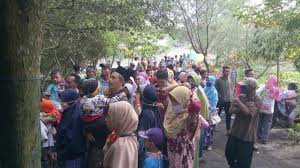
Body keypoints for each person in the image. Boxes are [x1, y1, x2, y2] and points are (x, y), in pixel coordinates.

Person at [80, 79, 126, 168]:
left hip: (88, 123)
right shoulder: (100, 97)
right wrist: (121, 95)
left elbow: (81, 113)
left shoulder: (83, 99)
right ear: (97, 89)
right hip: (99, 122)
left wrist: (86, 126)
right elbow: (110, 101)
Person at [225, 78, 262, 168]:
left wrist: (239, 104)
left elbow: (249, 114)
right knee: (229, 153)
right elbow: (231, 110)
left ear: (252, 88)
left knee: (244, 161)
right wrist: (244, 106)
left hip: (247, 135)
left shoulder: (257, 99)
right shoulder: (241, 96)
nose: (242, 88)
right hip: (235, 131)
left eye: (244, 86)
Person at [163, 86, 201, 168]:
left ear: (184, 99)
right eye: (172, 100)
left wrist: (193, 96)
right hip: (172, 152)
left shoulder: (189, 115)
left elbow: (196, 108)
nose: (173, 104)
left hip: (182, 153)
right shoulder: (172, 111)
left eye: (176, 101)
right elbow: (165, 91)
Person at [103, 101, 138, 168]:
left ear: (120, 119)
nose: (106, 119)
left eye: (109, 116)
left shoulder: (121, 145)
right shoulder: (130, 136)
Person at [56, 89, 86, 168]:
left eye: (63, 100)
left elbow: (72, 139)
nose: (61, 103)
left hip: (71, 155)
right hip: (66, 154)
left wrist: (62, 153)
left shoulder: (75, 116)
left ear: (71, 101)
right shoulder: (68, 111)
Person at [137, 85, 164, 168]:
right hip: (155, 147)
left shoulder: (146, 113)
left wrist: (138, 154)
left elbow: (141, 138)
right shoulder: (155, 108)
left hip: (147, 151)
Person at [257, 75, 280, 144]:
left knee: (259, 121)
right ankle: (265, 139)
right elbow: (278, 99)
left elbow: (257, 93)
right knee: (267, 124)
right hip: (270, 109)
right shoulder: (276, 89)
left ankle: (258, 135)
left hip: (261, 107)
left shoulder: (264, 86)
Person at [215, 66, 233, 135]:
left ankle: (228, 130)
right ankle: (214, 127)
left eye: (229, 71)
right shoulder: (218, 80)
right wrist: (220, 96)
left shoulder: (230, 80)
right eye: (226, 71)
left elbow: (231, 90)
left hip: (228, 101)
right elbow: (215, 90)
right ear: (223, 72)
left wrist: (232, 98)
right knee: (217, 114)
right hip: (220, 101)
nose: (228, 72)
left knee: (228, 116)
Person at [203, 76, 219, 151]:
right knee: (203, 129)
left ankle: (209, 144)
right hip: (203, 111)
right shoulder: (204, 89)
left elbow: (214, 103)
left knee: (209, 130)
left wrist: (206, 100)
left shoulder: (214, 91)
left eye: (209, 80)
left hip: (210, 112)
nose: (207, 81)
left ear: (213, 81)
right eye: (206, 80)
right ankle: (203, 144)